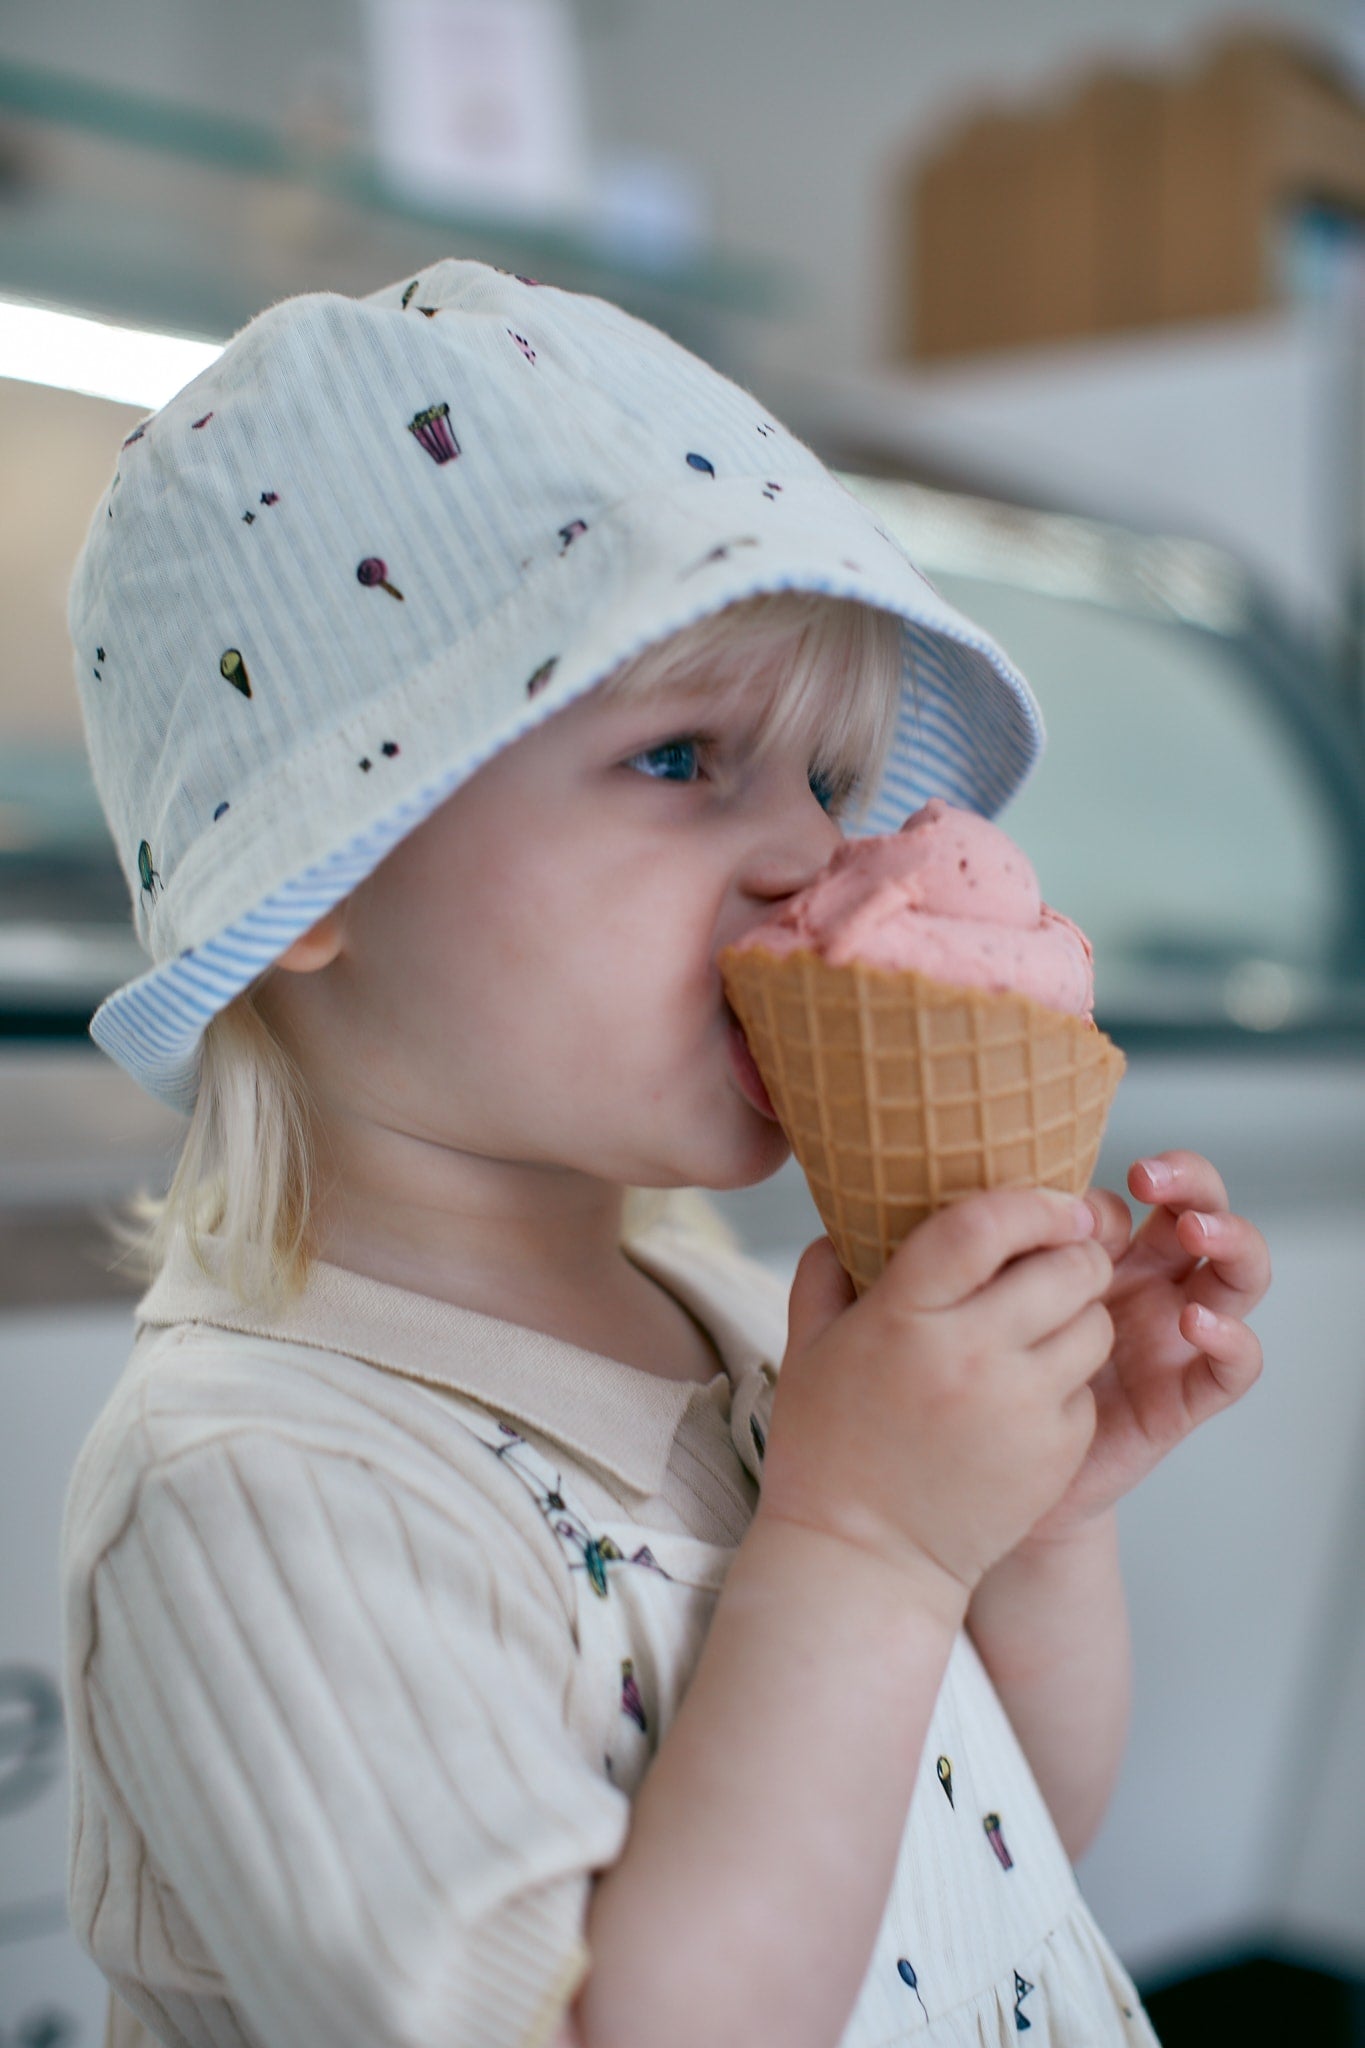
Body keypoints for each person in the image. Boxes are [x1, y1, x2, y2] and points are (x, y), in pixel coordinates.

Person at [60, 259, 1269, 2048]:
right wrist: (860, 1543)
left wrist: (1025, 1523)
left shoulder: (735, 1325)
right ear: (314, 873)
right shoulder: (261, 1481)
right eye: (684, 755)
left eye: (831, 781)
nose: (805, 854)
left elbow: (1000, 1846)